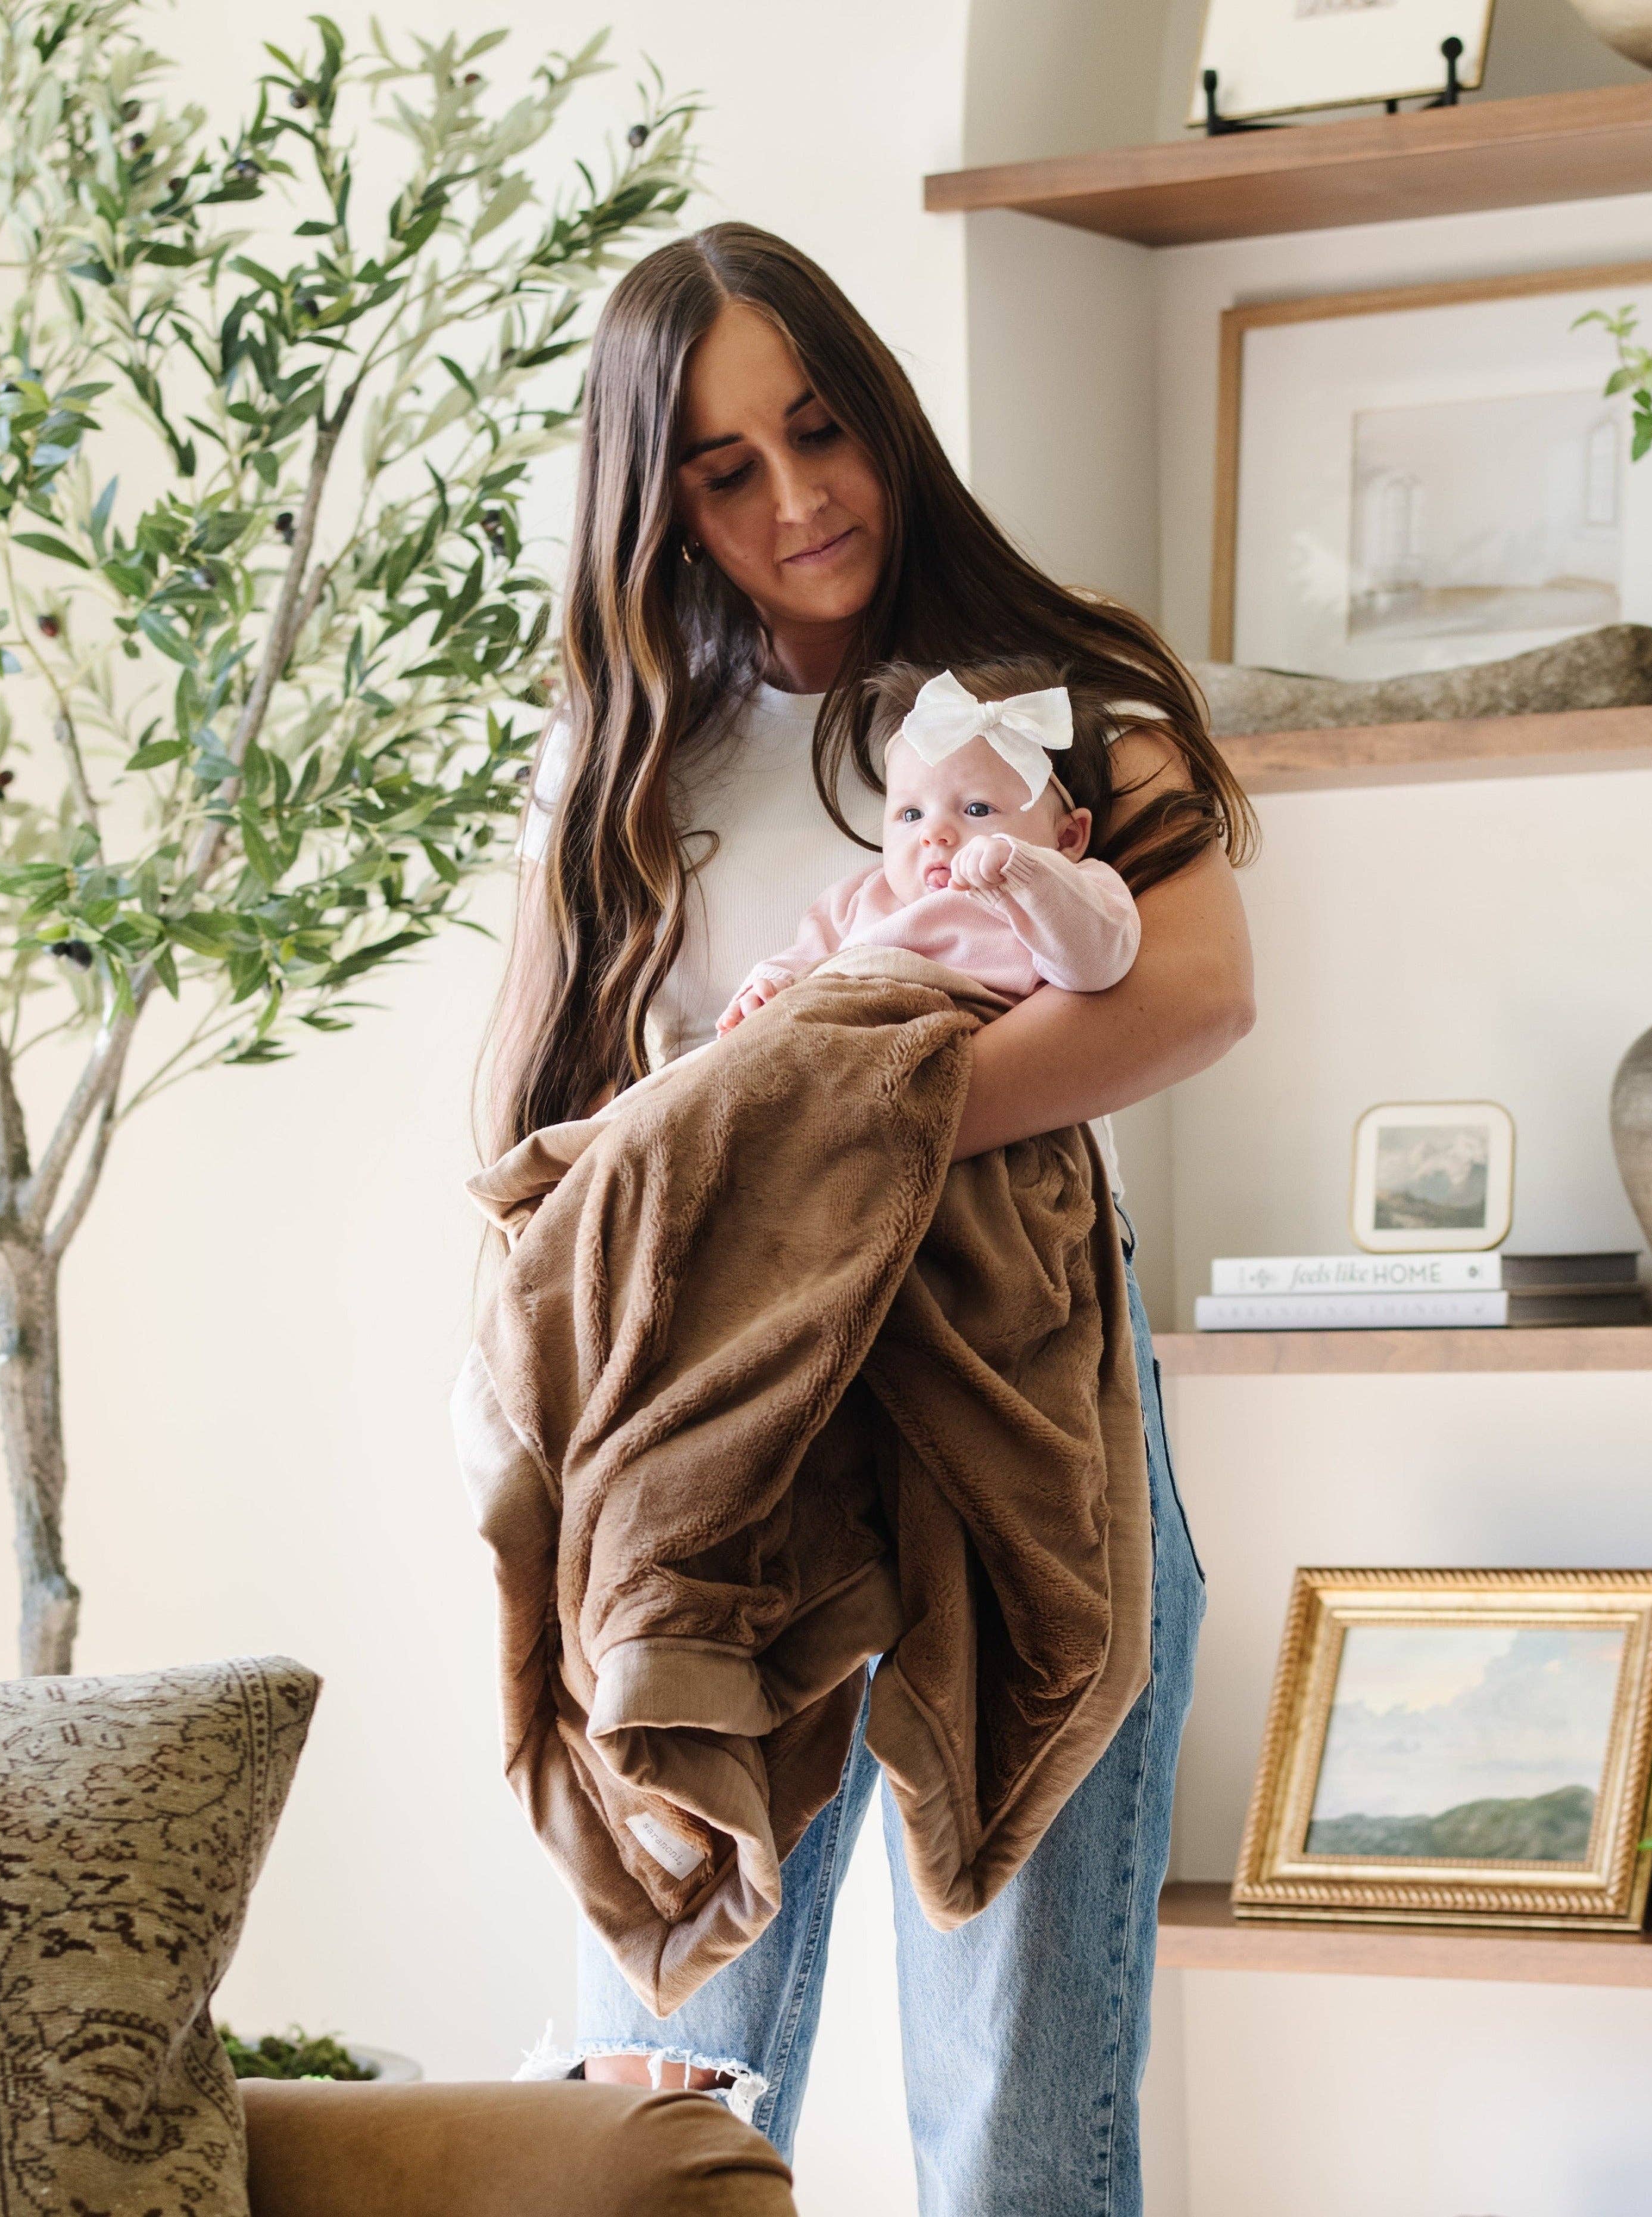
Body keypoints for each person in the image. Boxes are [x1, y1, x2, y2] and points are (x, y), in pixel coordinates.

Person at [479, 219, 1256, 2216]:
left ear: (885, 417)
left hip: (1025, 1397)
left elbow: (1187, 996)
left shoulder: (1055, 696)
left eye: (819, 431)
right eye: (725, 468)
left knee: (1017, 2109)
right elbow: (554, 1117)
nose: (797, 497)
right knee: (657, 2084)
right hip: (718, 1422)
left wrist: (822, 1144)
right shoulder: (624, 764)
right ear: (658, 503)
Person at [718, 661, 1140, 1034]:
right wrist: (769, 986)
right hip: (841, 1019)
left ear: (1067, 838)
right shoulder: (861, 897)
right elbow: (804, 959)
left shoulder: (1070, 893)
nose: (934, 833)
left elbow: (1099, 964)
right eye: (911, 814)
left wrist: (1026, 872)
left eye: (977, 809)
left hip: (956, 1035)